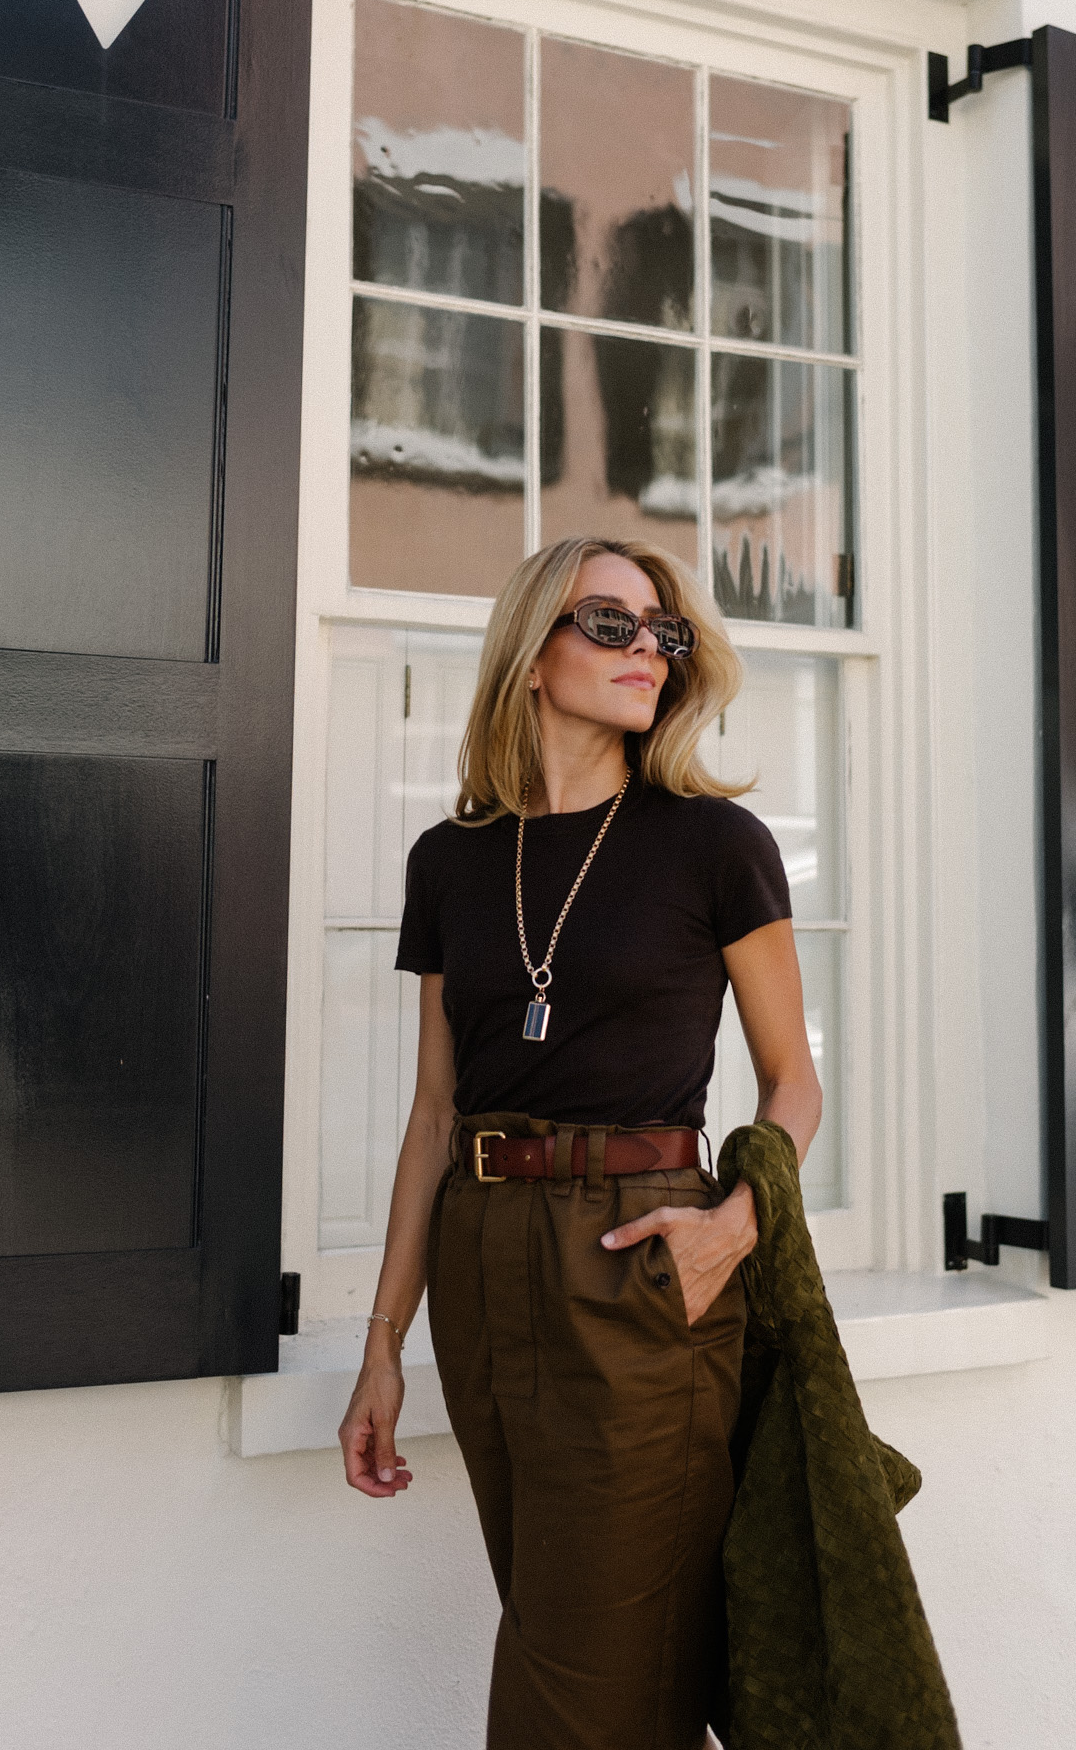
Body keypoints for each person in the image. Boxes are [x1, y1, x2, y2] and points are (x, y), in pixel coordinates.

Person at [338, 534, 823, 1750]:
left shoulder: (713, 845)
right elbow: (433, 1118)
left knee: (581, 1684)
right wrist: (383, 1345)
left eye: (661, 631)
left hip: (641, 1253)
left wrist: (731, 1227)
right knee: (601, 1657)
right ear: (531, 650)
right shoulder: (450, 862)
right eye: (609, 624)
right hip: (485, 1263)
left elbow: (792, 1084)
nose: (645, 650)